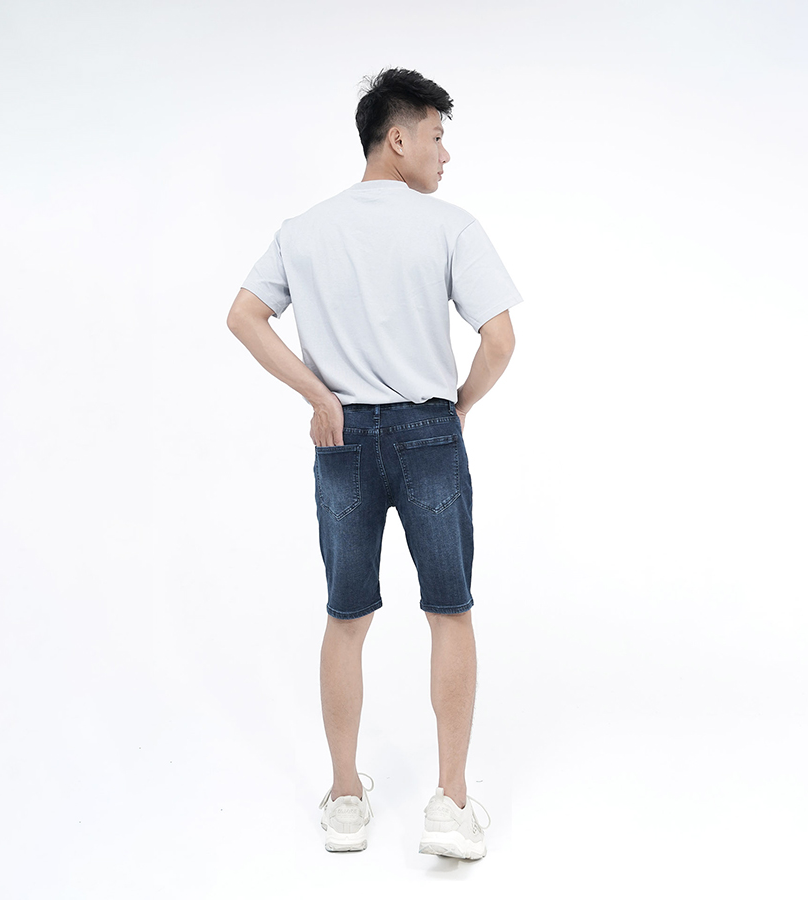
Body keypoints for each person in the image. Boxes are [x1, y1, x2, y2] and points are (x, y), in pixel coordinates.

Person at [226, 67, 522, 859]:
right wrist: (458, 407)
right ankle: (449, 806)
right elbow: (500, 341)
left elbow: (244, 316)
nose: (444, 154)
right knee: (449, 611)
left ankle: (346, 801)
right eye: (436, 136)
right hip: (429, 435)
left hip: (343, 440)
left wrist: (317, 395)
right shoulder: (450, 226)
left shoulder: (304, 230)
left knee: (346, 617)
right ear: (398, 139)